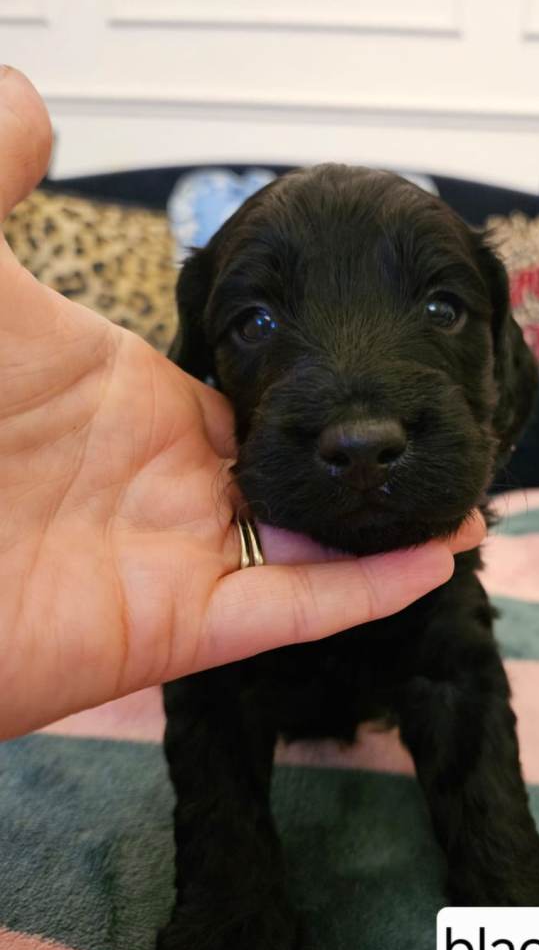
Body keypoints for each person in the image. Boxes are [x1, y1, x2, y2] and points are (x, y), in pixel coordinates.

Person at [0, 67, 485, 740]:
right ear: (198, 359)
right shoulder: (184, 563)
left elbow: (461, 687)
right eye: (256, 323)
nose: (360, 436)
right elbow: (209, 711)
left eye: (440, 310)